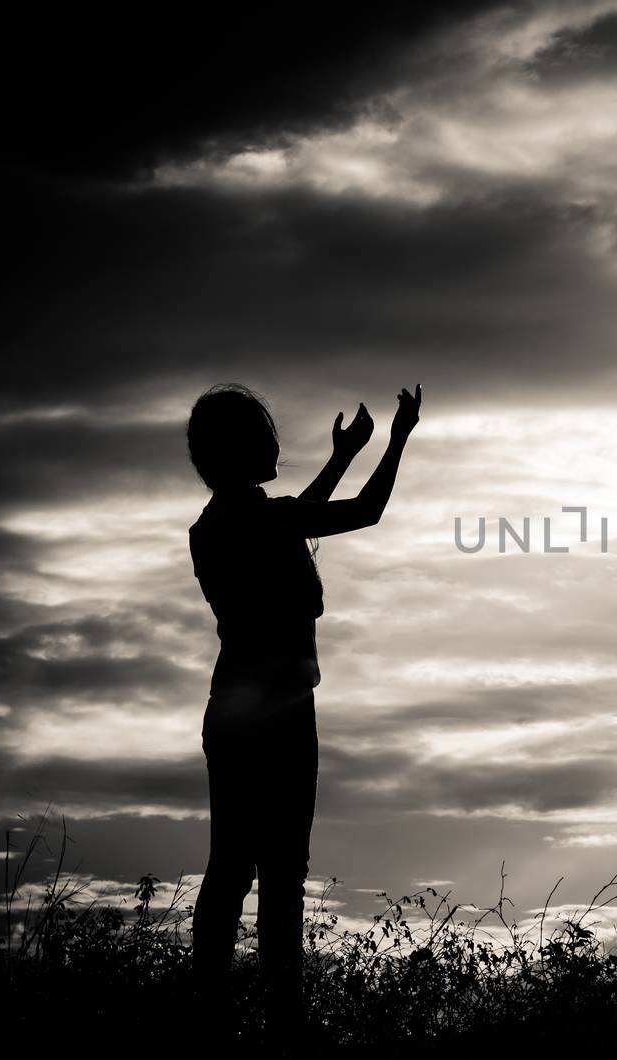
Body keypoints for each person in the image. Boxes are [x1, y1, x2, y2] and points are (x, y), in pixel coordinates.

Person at [184, 382, 422, 1045]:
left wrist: (344, 454)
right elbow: (365, 512)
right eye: (261, 436)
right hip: (279, 717)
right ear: (240, 450)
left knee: (234, 867)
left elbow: (299, 515)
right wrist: (400, 438)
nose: (274, 444)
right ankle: (278, 1024)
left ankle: (221, 1020)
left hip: (241, 711)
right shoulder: (260, 522)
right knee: (275, 872)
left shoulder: (227, 523)